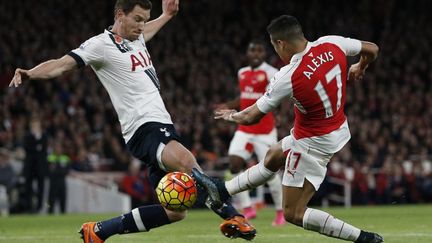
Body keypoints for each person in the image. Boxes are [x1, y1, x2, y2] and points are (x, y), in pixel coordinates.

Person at [9, 0, 256, 242]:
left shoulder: (135, 36)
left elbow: (145, 31)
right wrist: (29, 73)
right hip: (144, 127)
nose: (141, 26)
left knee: (175, 210)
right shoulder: (100, 45)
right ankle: (233, 215)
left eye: (144, 21)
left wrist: (166, 16)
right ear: (119, 14)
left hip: (160, 125)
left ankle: (99, 231)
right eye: (137, 19)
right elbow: (61, 65)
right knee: (187, 162)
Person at [193, 15, 383, 242]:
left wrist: (232, 116)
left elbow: (252, 116)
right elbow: (372, 49)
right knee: (274, 155)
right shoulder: (331, 42)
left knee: (293, 213)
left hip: (312, 143)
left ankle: (363, 238)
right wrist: (360, 66)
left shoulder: (288, 75)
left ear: (280, 43)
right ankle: (223, 190)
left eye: (274, 47)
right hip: (337, 127)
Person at [214, 40, 285, 226]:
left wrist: (282, 115)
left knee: (270, 173)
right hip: (244, 128)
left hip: (265, 130)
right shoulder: (242, 72)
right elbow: (245, 97)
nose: (256, 54)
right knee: (234, 164)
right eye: (252, 50)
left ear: (264, 54)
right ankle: (247, 208)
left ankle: (280, 212)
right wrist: (228, 106)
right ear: (247, 53)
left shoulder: (271, 73)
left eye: (260, 50)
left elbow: (278, 96)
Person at [22, 116, 48, 213]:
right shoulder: (27, 136)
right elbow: (28, 148)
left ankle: (39, 207)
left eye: (36, 126)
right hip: (29, 167)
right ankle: (28, 207)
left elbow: (43, 150)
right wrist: (37, 145)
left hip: (40, 167)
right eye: (33, 126)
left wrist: (37, 145)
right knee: (28, 187)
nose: (35, 127)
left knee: (41, 188)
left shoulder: (44, 136)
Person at [47, 142, 70, 214]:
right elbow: (49, 171)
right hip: (53, 183)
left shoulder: (65, 158)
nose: (58, 149)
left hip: (62, 182)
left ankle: (63, 214)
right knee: (51, 201)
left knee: (63, 200)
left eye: (60, 148)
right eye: (57, 147)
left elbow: (66, 171)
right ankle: (49, 214)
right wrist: (59, 170)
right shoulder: (50, 158)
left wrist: (56, 170)